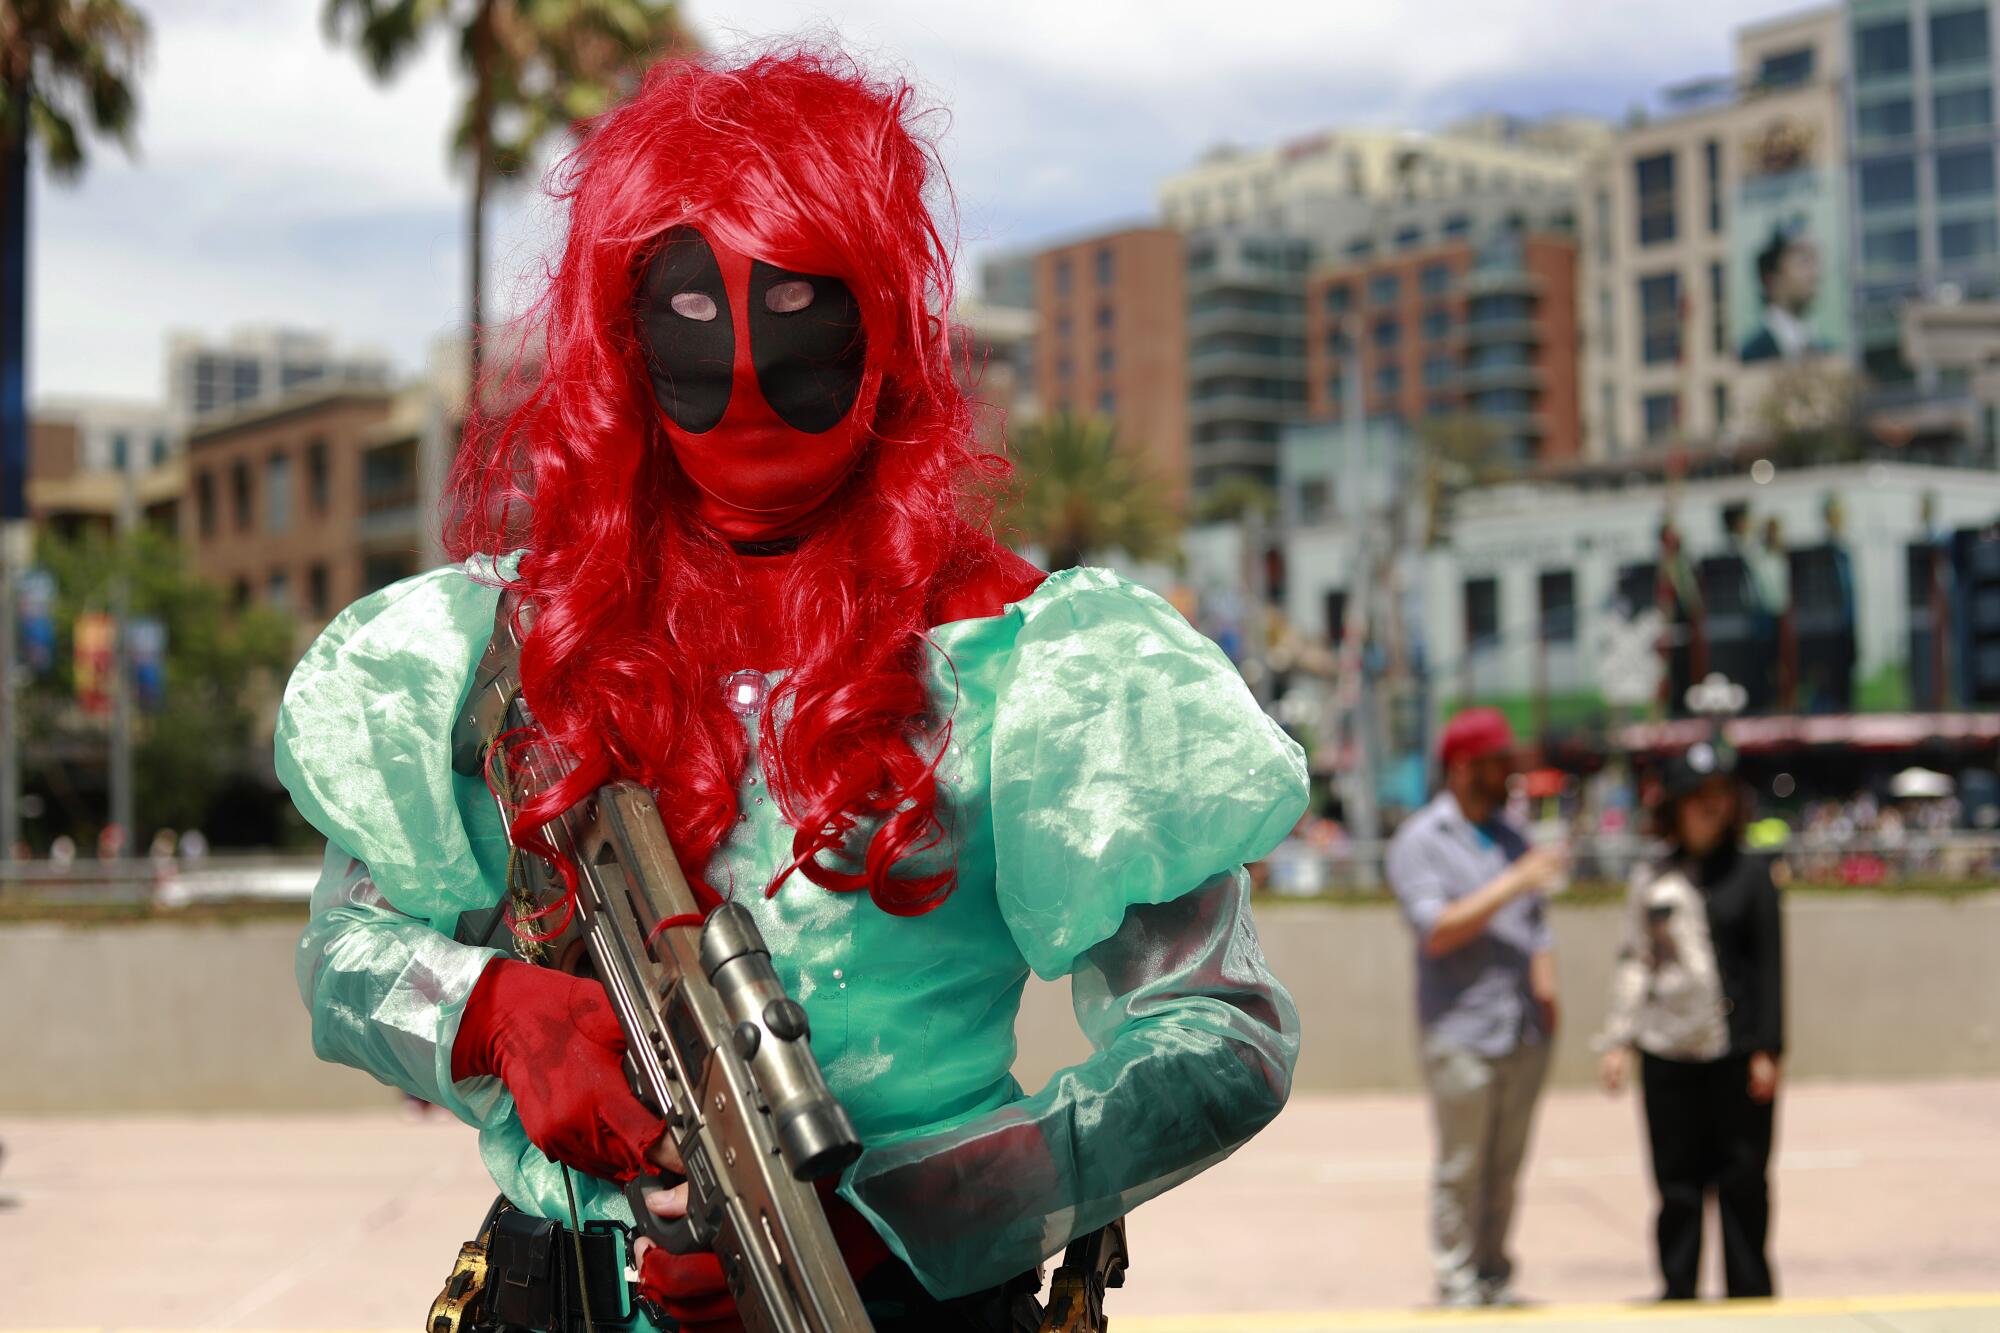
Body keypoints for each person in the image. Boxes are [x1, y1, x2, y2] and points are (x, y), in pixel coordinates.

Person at [279, 46, 1305, 1333]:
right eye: (693, 315)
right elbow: (346, 956)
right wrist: (488, 1011)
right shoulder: (496, 647)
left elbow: (1220, 1035)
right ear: (619, 331)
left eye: (804, 310)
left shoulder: (1031, 662)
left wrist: (899, 1217)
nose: (753, 373)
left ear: (882, 321)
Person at [1385, 707, 1567, 1308]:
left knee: (1505, 1166)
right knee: (1462, 1165)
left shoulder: (1514, 835)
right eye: (1496, 764)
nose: (1507, 775)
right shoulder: (1421, 841)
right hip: (1460, 1029)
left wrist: (1548, 991)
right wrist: (1516, 880)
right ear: (1463, 768)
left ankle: (1494, 1273)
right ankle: (1457, 1277)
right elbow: (1434, 928)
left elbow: (1536, 929)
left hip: (1521, 1027)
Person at [1596, 738, 1784, 1301]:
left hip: (1735, 1053)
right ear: (1673, 806)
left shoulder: (1753, 875)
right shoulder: (1652, 878)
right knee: (1676, 1185)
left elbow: (1770, 966)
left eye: (1719, 795)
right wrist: (1618, 1040)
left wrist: (1769, 1047)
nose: (1710, 807)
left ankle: (1750, 1296)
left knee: (1744, 1181)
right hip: (1667, 1052)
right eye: (1697, 796)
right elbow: (1635, 961)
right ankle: (1678, 1293)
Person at [1738, 223, 1826, 364]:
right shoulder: (1749, 355)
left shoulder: (1824, 349)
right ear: (1771, 277)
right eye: (1803, 261)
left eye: (1814, 261)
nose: (1814, 274)